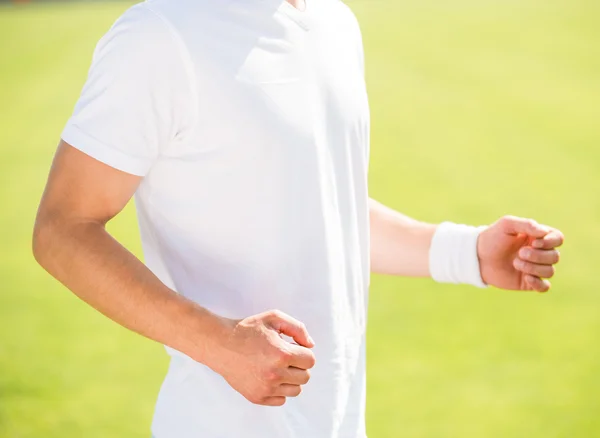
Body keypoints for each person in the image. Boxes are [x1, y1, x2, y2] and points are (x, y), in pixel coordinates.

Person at [32, 0, 564, 437]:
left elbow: (323, 209)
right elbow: (63, 228)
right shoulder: (160, 34)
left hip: (337, 422)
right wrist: (219, 342)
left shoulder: (334, 23)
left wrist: (464, 253)